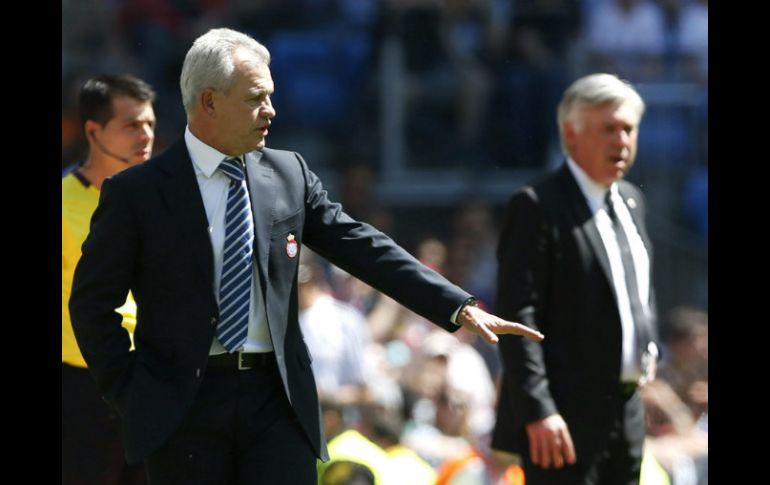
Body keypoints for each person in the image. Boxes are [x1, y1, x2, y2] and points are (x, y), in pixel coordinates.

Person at [69, 27, 543, 484]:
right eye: (255, 98)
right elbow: (91, 304)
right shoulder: (137, 193)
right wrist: (132, 392)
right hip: (184, 407)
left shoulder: (288, 174)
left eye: (270, 96)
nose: (270, 110)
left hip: (277, 403)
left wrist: (457, 306)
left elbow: (362, 246)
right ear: (209, 101)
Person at [491, 73, 659, 485]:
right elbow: (517, 315)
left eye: (628, 129)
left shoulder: (632, 200)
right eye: (608, 129)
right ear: (571, 132)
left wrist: (647, 345)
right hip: (562, 419)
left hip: (625, 408)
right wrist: (539, 409)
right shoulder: (536, 205)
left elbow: (637, 286)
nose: (621, 140)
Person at [62, 73, 156, 484]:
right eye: (132, 124)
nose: (146, 135)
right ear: (93, 132)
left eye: (150, 123)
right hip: (80, 389)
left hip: (150, 381)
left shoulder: (163, 203)